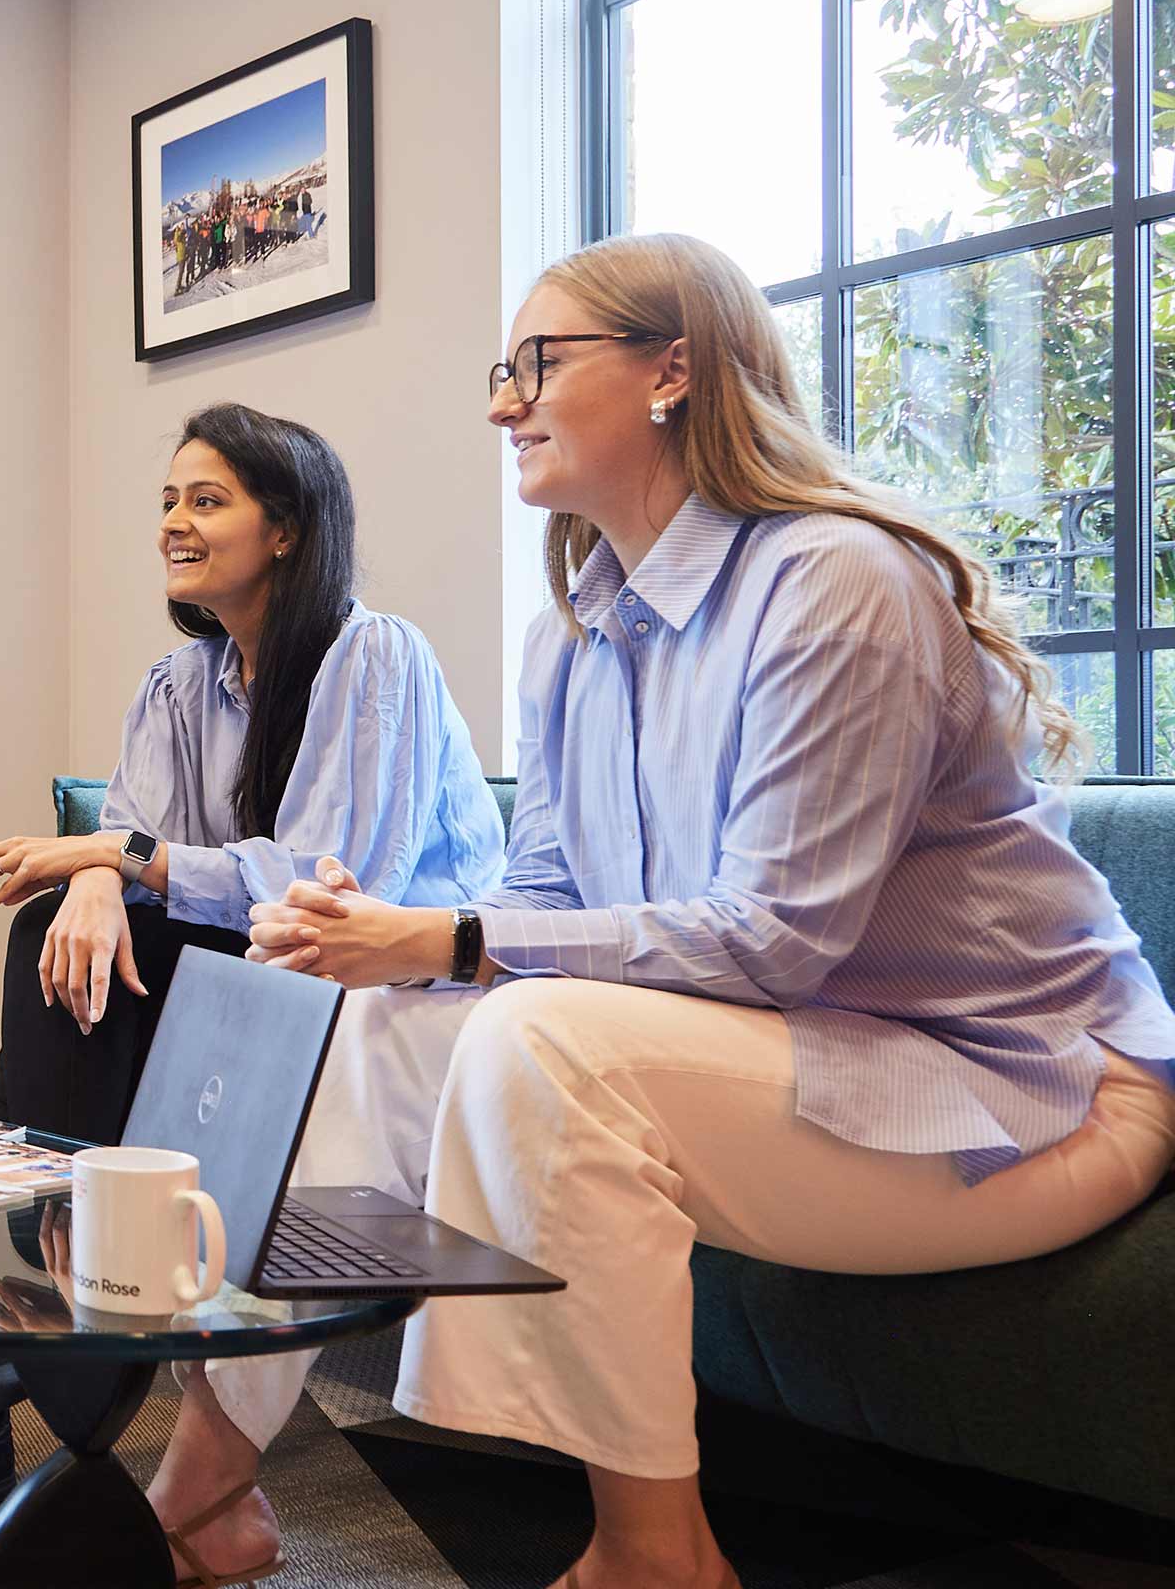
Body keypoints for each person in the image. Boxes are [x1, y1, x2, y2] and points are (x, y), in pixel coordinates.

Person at [147, 232, 1175, 1589]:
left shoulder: (834, 584)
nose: (503, 400)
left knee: (544, 1045)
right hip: (798, 1058)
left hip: (1026, 1094)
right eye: (500, 371)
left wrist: (451, 939)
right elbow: (550, 894)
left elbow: (776, 937)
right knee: (366, 1025)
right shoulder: (572, 631)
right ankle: (199, 1492)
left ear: (673, 372)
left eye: (539, 364)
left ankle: (650, 1556)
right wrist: (386, 943)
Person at [0, 402, 506, 1537]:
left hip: (388, 980)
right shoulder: (176, 684)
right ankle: (18, 1343)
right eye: (168, 500)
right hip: (264, 976)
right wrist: (101, 880)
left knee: (134, 928)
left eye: (207, 501)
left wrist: (117, 857)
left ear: (290, 528)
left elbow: (330, 880)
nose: (175, 523)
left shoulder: (376, 656)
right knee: (54, 928)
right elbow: (136, 836)